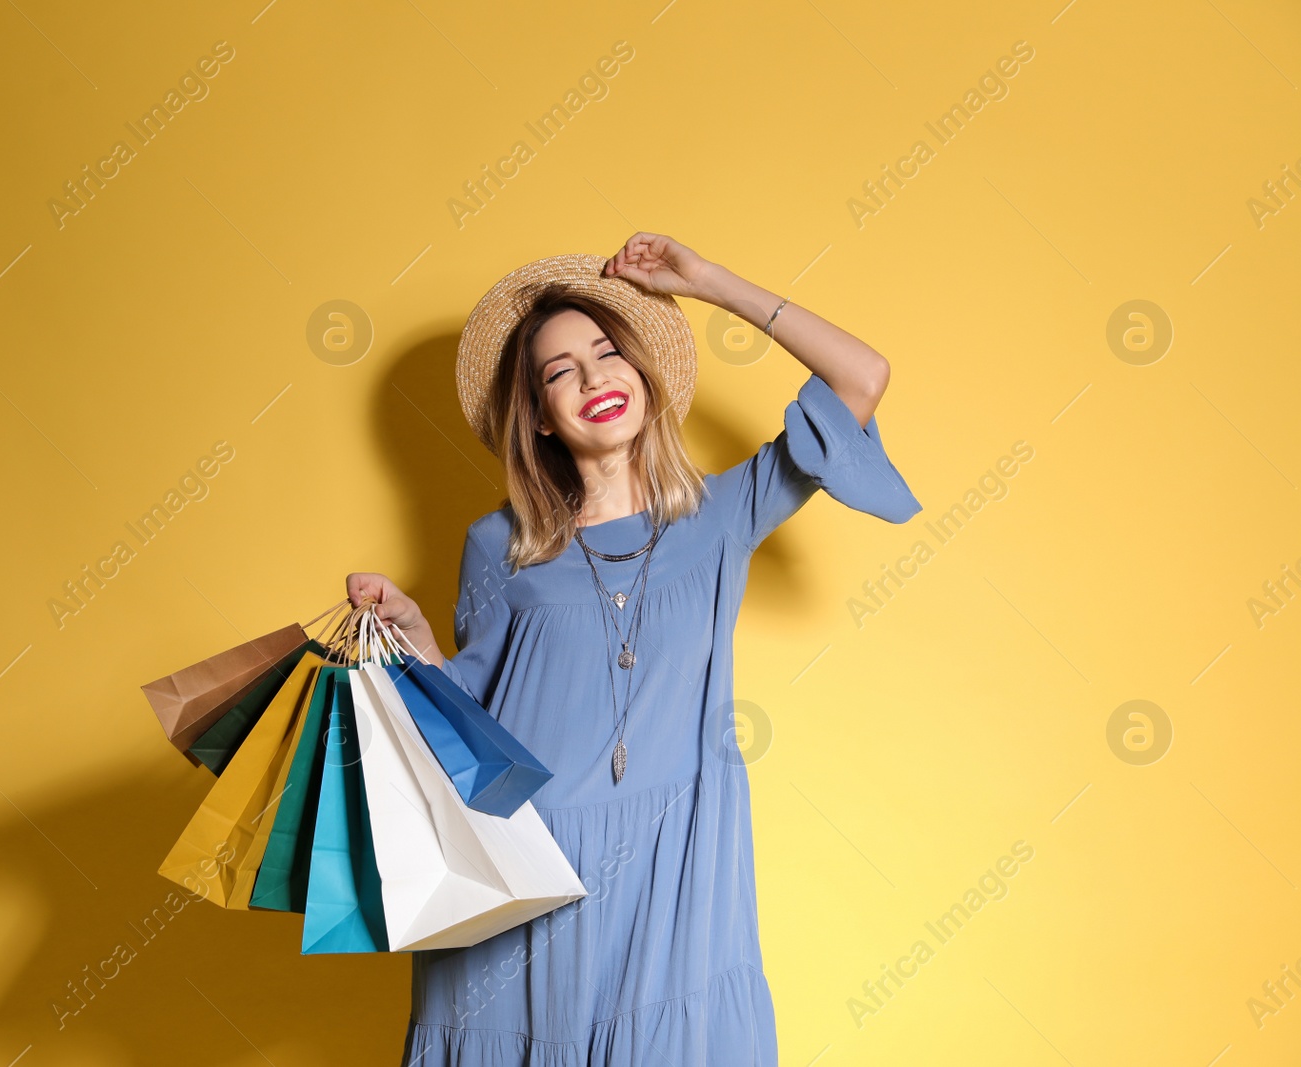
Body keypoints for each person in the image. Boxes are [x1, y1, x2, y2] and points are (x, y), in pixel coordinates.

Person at [347, 233, 923, 1066]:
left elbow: (861, 379)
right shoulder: (499, 546)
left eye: (608, 352)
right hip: (529, 872)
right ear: (540, 418)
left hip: (676, 869)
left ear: (644, 375)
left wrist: (711, 283)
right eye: (559, 372)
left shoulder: (722, 515)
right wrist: (414, 636)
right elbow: (469, 727)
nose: (592, 379)